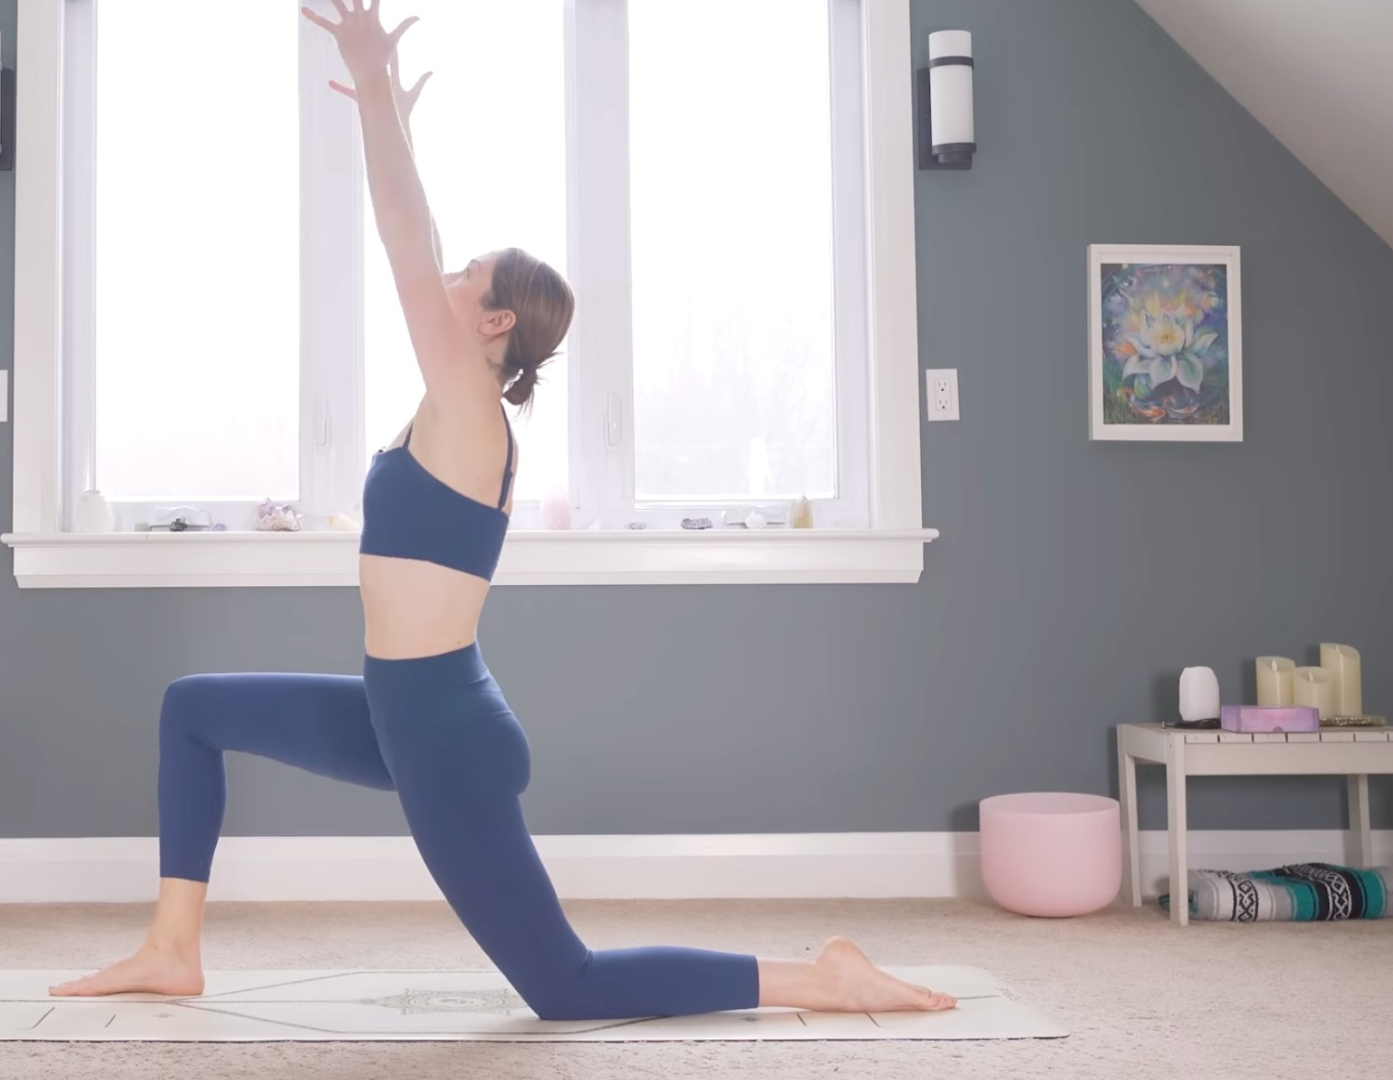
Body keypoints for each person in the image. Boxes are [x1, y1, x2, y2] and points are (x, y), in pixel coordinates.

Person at [51, 0, 955, 1021]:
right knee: (194, 709)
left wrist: (377, 102)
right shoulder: (451, 402)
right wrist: (390, 110)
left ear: (489, 321)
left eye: (466, 271)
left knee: (563, 987)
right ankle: (172, 945)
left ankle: (816, 979)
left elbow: (399, 232)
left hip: (443, 735)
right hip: (406, 708)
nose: (442, 271)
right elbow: (419, 235)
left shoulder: (472, 413)